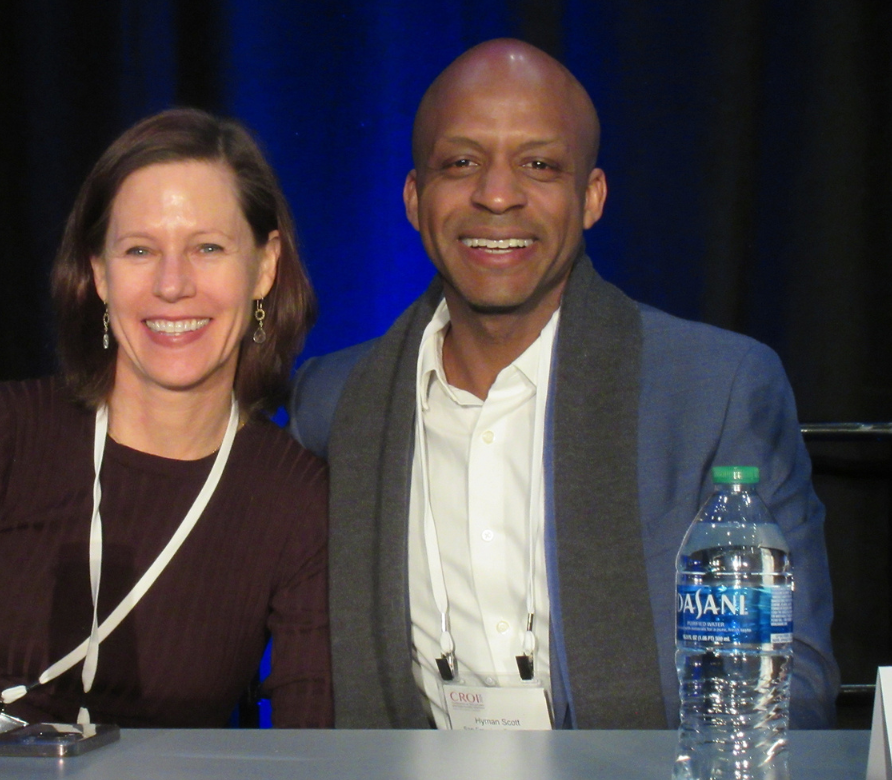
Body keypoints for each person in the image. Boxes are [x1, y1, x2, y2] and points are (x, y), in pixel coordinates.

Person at [287, 39, 838, 730]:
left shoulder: (717, 392)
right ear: (414, 198)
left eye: (539, 165)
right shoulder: (333, 405)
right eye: (461, 163)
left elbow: (791, 685)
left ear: (591, 198)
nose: (495, 194)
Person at [0, 108, 333, 728]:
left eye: (208, 248)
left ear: (265, 267)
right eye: (139, 250)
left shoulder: (297, 501)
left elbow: (313, 746)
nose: (172, 285)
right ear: (98, 272)